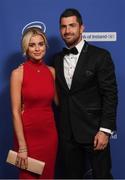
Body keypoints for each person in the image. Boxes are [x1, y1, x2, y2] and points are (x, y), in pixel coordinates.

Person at [54, 8, 118, 179]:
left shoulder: (100, 56)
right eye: (63, 27)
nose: (67, 31)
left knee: (102, 176)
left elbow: (110, 95)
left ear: (82, 28)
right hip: (67, 134)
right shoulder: (57, 59)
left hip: (94, 132)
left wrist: (105, 130)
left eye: (72, 26)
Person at [10, 26, 58, 179]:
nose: (37, 49)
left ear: (45, 46)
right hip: (28, 137)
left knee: (47, 176)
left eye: (40, 44)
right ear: (26, 48)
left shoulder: (51, 71)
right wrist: (22, 147)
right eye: (32, 45)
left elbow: (59, 102)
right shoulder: (18, 73)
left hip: (50, 135)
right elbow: (15, 112)